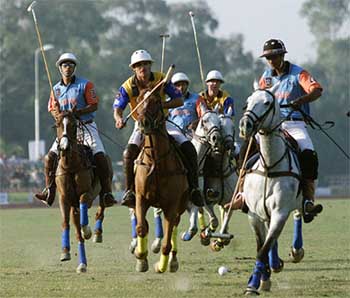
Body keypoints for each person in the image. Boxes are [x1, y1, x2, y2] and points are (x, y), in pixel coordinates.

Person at [113, 50, 203, 208]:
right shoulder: (127, 86)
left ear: (150, 65)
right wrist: (119, 118)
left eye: (146, 64)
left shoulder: (161, 79)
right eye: (139, 65)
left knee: (188, 147)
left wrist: (161, 105)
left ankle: (194, 188)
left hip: (163, 122)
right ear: (133, 68)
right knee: (128, 153)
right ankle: (129, 191)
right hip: (141, 125)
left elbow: (179, 100)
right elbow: (118, 108)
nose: (143, 68)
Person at [34, 52, 116, 207]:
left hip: (86, 125)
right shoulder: (55, 89)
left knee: (100, 155)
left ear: (74, 68)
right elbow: (51, 108)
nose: (67, 68)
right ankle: (49, 190)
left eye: (70, 65)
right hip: (66, 129)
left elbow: (94, 105)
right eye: (64, 65)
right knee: (49, 158)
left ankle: (106, 192)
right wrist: (57, 114)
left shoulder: (85, 85)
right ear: (60, 68)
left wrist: (78, 113)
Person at [258, 38, 323, 223]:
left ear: (282, 55)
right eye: (267, 57)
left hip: (294, 124)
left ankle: (308, 201)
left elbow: (317, 90)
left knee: (308, 154)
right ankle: (241, 194)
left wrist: (301, 101)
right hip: (270, 126)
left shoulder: (298, 73)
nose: (270, 60)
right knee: (247, 150)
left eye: (273, 56)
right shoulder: (266, 77)